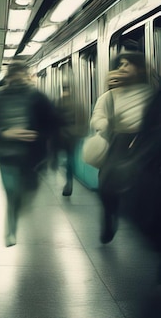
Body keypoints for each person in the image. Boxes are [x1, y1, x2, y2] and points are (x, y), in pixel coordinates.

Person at [0, 61, 59, 247]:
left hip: (33, 156)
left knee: (28, 192)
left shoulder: (39, 97)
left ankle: (18, 208)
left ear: (28, 76)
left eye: (23, 74)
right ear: (9, 77)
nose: (19, 78)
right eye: (15, 74)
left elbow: (53, 125)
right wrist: (3, 133)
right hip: (6, 155)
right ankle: (11, 227)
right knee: (11, 191)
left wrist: (39, 136)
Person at [90, 52, 154, 244]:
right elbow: (97, 117)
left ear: (140, 69)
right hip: (118, 142)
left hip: (144, 143)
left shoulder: (151, 94)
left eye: (128, 64)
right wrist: (105, 125)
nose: (122, 67)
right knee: (107, 185)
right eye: (121, 64)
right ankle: (109, 215)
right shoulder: (108, 96)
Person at [55, 85, 87, 196]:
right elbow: (83, 118)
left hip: (61, 135)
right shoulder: (78, 103)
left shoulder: (58, 103)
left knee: (63, 157)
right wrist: (81, 132)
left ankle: (66, 180)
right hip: (74, 135)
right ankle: (69, 182)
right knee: (70, 158)